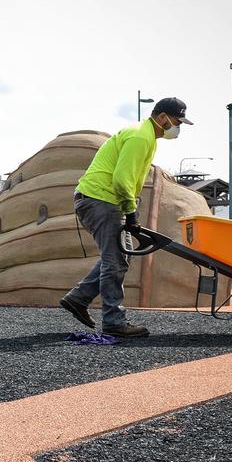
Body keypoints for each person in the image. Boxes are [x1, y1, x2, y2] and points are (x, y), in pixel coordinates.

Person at [59, 97, 193, 338]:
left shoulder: (146, 135)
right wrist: (131, 213)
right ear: (162, 118)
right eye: (176, 120)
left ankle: (78, 299)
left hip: (101, 200)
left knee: (118, 257)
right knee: (116, 260)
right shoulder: (141, 137)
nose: (178, 126)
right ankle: (113, 321)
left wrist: (129, 211)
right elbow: (122, 180)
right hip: (102, 200)